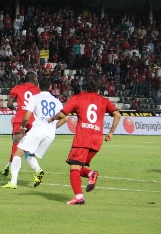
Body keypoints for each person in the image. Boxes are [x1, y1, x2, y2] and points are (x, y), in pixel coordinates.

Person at [50, 75, 121, 205]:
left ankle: (79, 196)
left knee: (73, 168)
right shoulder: (103, 100)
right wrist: (110, 132)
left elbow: (62, 114)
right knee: (78, 167)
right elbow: (117, 114)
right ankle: (91, 174)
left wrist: (51, 119)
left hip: (83, 138)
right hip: (96, 140)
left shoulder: (78, 98)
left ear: (84, 86)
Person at [3, 76, 65, 189]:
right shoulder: (56, 101)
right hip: (50, 135)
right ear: (50, 87)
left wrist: (22, 127)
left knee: (17, 153)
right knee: (29, 154)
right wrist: (53, 127)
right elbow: (65, 118)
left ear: (38, 86)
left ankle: (13, 182)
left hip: (38, 130)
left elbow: (26, 117)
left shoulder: (35, 97)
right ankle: (38, 170)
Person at [3, 72, 40, 176]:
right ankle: (37, 169)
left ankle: (11, 170)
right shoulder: (37, 90)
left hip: (20, 119)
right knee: (29, 148)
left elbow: (9, 104)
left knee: (16, 144)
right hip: (32, 120)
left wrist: (17, 108)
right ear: (34, 80)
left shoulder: (17, 88)